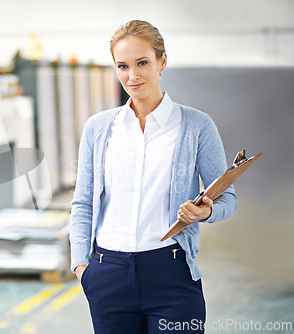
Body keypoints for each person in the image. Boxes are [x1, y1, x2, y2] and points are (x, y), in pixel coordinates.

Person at [70, 20, 237, 334]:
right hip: (108, 276)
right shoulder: (99, 128)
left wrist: (207, 211)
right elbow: (82, 202)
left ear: (162, 61)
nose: (132, 76)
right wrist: (81, 267)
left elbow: (228, 196)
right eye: (122, 66)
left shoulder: (197, 126)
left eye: (142, 63)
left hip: (171, 274)